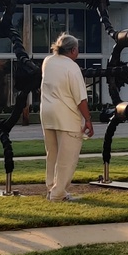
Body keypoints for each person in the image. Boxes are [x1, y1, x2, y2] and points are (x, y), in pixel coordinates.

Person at [40, 32, 95, 201]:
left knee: (52, 155)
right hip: (67, 116)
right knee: (67, 158)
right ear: (72, 50)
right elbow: (80, 98)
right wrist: (88, 119)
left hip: (47, 114)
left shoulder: (47, 61)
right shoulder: (72, 67)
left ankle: (52, 188)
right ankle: (58, 194)